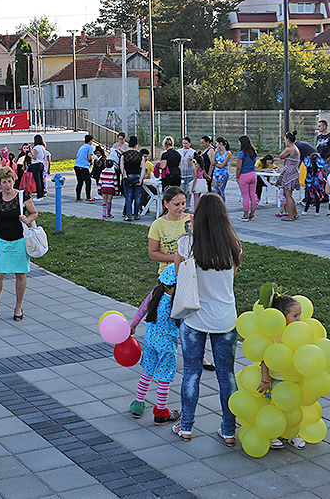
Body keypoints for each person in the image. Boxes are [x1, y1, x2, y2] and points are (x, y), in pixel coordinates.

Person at [171, 193, 241, 447]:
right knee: (227, 376)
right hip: (225, 318)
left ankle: (186, 427)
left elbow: (180, 275)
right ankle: (229, 430)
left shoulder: (187, 243)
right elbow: (231, 276)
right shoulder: (234, 245)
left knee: (191, 373)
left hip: (194, 317)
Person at [128, 263, 180, 425]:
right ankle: (161, 412)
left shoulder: (155, 293)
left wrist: (134, 325)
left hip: (150, 342)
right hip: (166, 347)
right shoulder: (177, 301)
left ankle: (138, 405)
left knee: (147, 373)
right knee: (164, 379)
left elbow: (142, 310)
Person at [0, 167, 37, 322]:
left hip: (19, 241)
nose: (7, 185)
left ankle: (18, 306)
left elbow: (34, 212)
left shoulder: (22, 196)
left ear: (14, 181)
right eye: (4, 182)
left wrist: (28, 219)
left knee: (20, 274)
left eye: (10, 181)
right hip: (1, 241)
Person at [256, 294, 308, 450]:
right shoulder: (275, 336)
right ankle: (272, 433)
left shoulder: (299, 333)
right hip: (276, 379)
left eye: (300, 315)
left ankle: (292, 434)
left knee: (292, 407)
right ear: (282, 317)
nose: (299, 319)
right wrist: (265, 379)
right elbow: (265, 359)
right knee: (275, 407)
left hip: (293, 379)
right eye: (295, 315)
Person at [148, 187, 192, 274]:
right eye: (177, 204)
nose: (181, 207)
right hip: (168, 275)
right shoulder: (158, 225)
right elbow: (153, 253)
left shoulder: (192, 220)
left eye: (183, 203)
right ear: (166, 204)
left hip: (190, 273)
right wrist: (176, 258)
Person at [276, 131, 301, 221]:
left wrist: (286, 147)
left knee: (288, 195)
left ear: (288, 140)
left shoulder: (290, 149)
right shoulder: (295, 148)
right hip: (293, 171)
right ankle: (294, 213)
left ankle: (290, 215)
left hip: (289, 172)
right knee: (290, 195)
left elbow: (281, 156)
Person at [236, 135, 258, 221]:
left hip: (244, 175)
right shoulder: (254, 152)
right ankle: (252, 214)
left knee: (245, 196)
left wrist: (237, 177)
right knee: (252, 195)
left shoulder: (241, 153)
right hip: (253, 174)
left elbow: (238, 167)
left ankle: (245, 215)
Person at [302, 150, 327, 217]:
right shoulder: (319, 167)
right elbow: (323, 175)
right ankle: (317, 212)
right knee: (317, 197)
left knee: (309, 197)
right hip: (317, 184)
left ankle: (305, 210)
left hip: (310, 183)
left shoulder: (308, 165)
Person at [178, 137, 197, 211]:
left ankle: (187, 206)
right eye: (183, 143)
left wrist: (192, 160)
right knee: (182, 190)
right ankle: (182, 204)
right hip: (182, 172)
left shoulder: (193, 152)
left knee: (189, 191)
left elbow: (197, 161)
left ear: (190, 143)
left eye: (186, 143)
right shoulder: (179, 151)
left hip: (190, 173)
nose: (184, 145)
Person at [74, 134, 95, 202]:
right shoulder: (89, 147)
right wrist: (91, 162)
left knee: (80, 182)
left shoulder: (82, 146)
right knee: (88, 182)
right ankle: (88, 198)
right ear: (90, 141)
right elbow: (89, 157)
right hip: (83, 166)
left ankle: (78, 197)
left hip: (77, 166)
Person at [31, 134, 49, 200]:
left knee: (37, 180)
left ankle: (39, 195)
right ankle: (41, 193)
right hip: (41, 164)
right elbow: (44, 157)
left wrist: (30, 155)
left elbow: (34, 157)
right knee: (41, 180)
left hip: (35, 164)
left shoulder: (35, 148)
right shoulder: (42, 147)